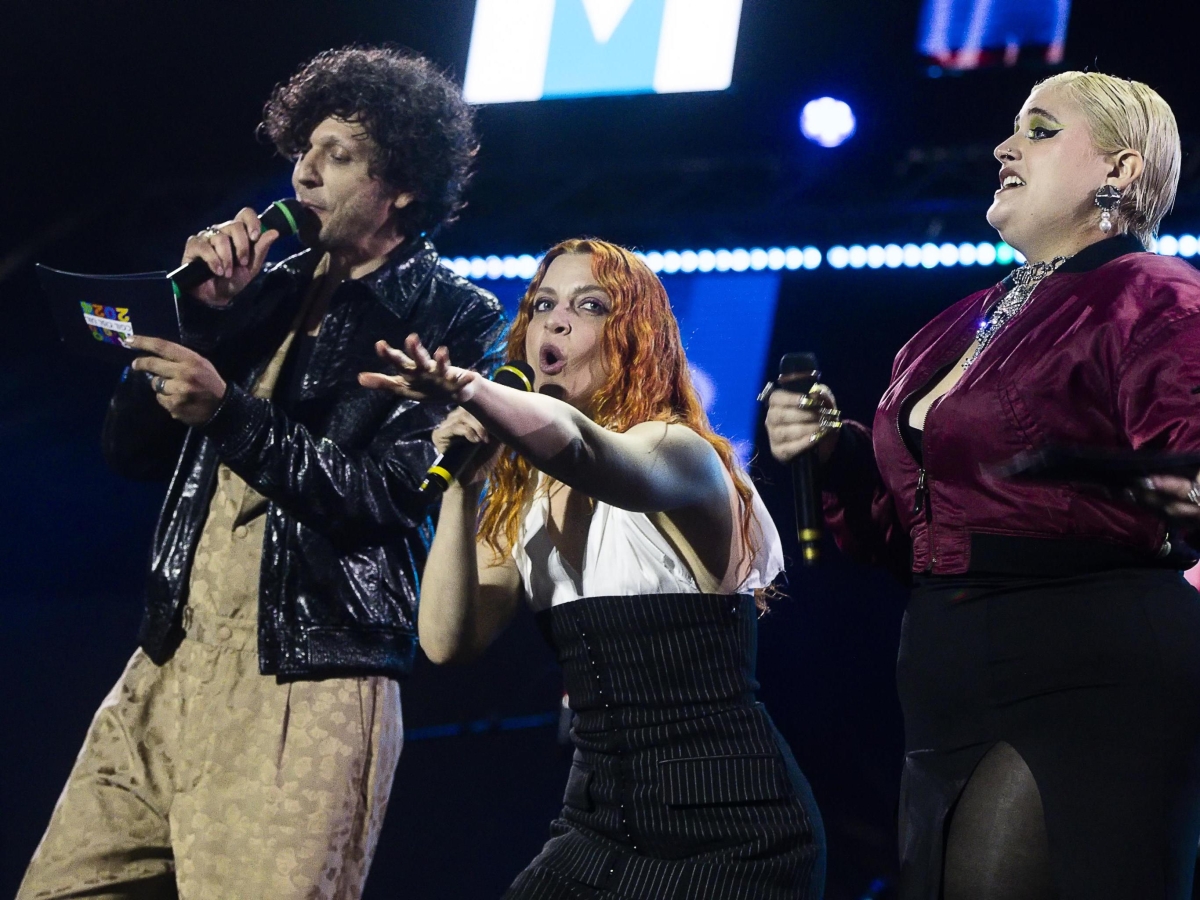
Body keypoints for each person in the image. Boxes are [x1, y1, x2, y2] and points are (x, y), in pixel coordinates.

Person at [19, 46, 505, 900]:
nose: (305, 172)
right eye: (304, 149)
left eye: (340, 156)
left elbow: (384, 501)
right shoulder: (260, 292)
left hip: (309, 681)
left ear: (404, 187)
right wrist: (200, 319)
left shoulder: (453, 317)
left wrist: (231, 412)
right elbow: (128, 453)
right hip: (169, 659)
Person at [765, 71, 1200, 900]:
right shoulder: (953, 325)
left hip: (1090, 660)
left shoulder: (1156, 296)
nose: (1003, 148)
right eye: (1010, 130)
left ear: (1121, 171)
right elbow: (914, 527)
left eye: (1039, 131)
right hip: (945, 667)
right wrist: (834, 451)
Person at [360, 239, 826, 899]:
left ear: (634, 336)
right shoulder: (521, 498)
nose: (554, 320)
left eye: (589, 306)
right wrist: (464, 490)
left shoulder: (678, 451)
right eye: (543, 304)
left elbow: (582, 448)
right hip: (598, 821)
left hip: (730, 824)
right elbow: (446, 640)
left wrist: (469, 385)